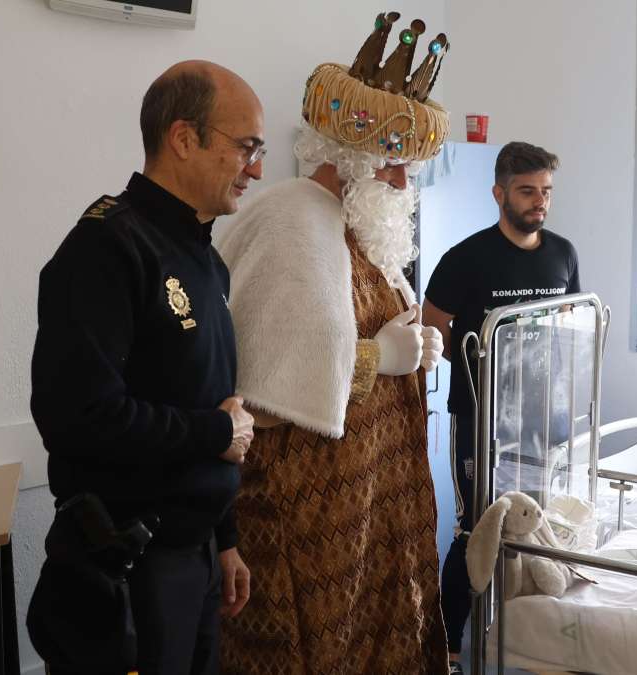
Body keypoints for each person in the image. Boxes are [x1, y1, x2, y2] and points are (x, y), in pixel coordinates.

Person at [215, 12, 450, 674]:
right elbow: (264, 387)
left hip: (370, 508)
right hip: (302, 521)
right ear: (354, 158)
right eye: (394, 167)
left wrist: (416, 346)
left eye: (408, 170)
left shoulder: (360, 230)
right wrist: (384, 359)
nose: (403, 185)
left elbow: (363, 325)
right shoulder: (290, 219)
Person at [30, 60, 263, 674]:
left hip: (195, 558)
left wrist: (225, 540)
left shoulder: (206, 260)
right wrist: (216, 432)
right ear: (184, 138)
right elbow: (78, 417)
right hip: (127, 563)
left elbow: (209, 396)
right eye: (246, 147)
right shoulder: (107, 248)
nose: (256, 168)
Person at [423, 141, 581, 667]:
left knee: (534, 521)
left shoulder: (563, 254)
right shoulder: (465, 259)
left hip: (540, 418)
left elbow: (569, 324)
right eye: (527, 191)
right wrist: (479, 373)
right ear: (499, 194)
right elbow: (432, 328)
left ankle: (522, 636)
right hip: (479, 417)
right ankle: (447, 648)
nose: (540, 201)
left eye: (546, 191)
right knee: (476, 526)